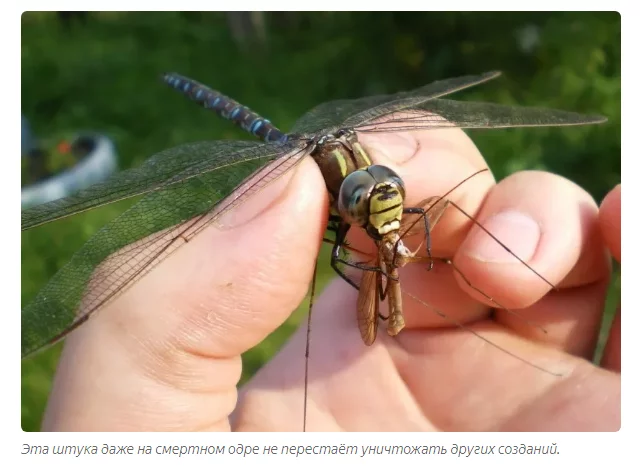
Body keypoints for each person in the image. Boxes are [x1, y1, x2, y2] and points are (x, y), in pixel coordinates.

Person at [41, 126, 621, 431]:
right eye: (373, 201)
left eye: (391, 193)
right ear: (347, 196)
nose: (391, 213)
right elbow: (345, 256)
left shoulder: (383, 194)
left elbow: (392, 212)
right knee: (346, 256)